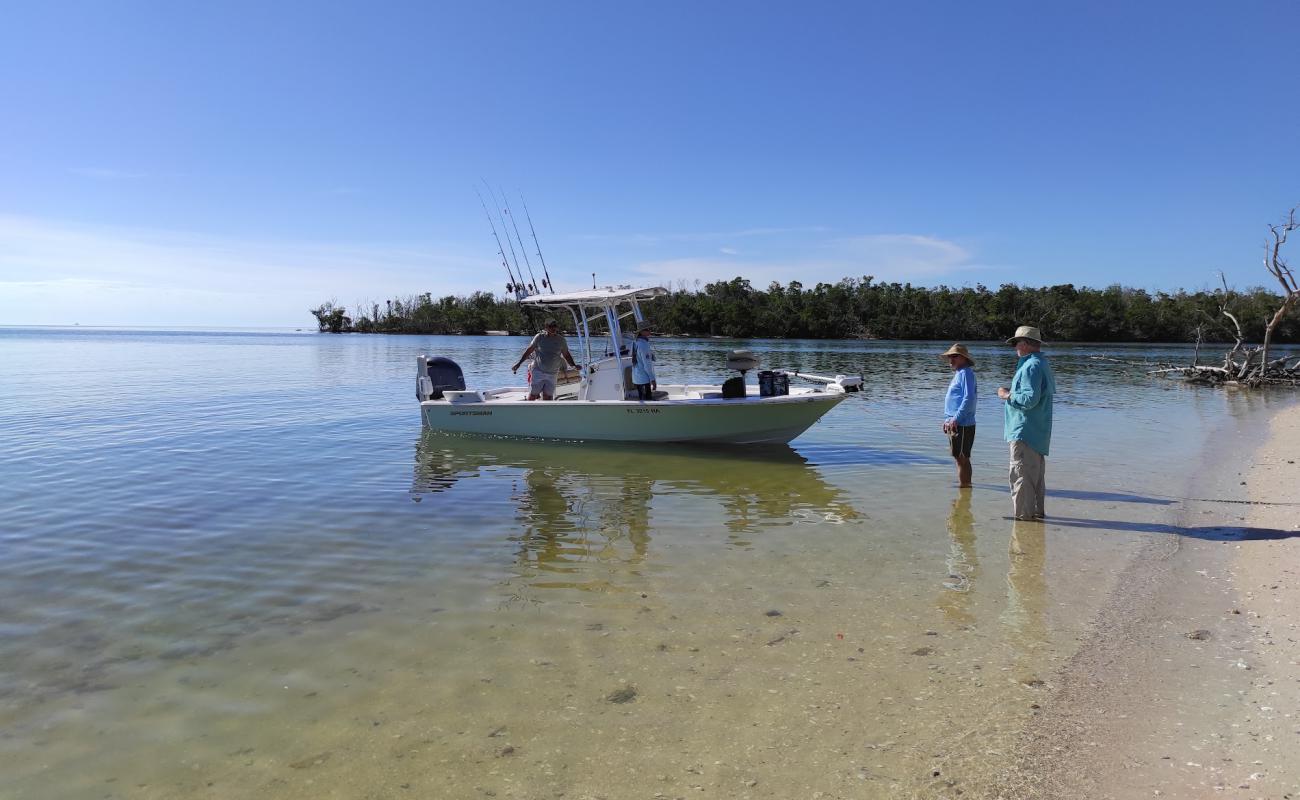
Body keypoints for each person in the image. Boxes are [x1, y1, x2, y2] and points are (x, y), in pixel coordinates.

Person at [997, 325, 1056, 520]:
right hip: (1037, 432)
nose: (1015, 346)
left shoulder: (1031, 366)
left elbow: (1030, 399)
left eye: (1017, 342)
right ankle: (1035, 521)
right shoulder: (1041, 363)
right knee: (1035, 477)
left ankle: (1023, 522)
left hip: (1025, 431)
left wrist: (1007, 395)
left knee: (1021, 476)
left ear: (1027, 344)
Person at [511, 318, 580, 400]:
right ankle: (529, 411)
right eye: (551, 326)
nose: (553, 328)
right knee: (533, 394)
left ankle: (546, 412)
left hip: (552, 373)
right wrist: (519, 364)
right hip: (538, 371)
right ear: (546, 327)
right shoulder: (539, 337)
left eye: (555, 326)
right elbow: (529, 351)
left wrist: (574, 365)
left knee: (548, 396)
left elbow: (566, 355)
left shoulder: (561, 340)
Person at [940, 343, 977, 487]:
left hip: (962, 423)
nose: (951, 359)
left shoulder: (966, 373)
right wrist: (948, 419)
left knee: (962, 458)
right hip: (955, 422)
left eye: (954, 356)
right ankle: (964, 495)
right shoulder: (959, 374)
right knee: (958, 457)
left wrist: (956, 418)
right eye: (949, 356)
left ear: (963, 358)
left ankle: (965, 488)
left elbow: (969, 398)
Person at [630, 321, 657, 400]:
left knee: (642, 398)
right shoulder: (643, 345)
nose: (649, 331)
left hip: (637, 377)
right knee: (647, 400)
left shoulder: (636, 342)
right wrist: (652, 379)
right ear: (641, 332)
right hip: (644, 378)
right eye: (647, 329)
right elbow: (647, 365)